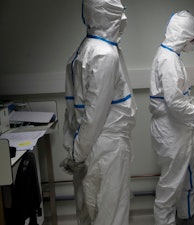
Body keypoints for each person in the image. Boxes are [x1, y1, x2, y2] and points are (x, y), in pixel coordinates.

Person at [61, 0, 137, 224]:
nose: (123, 15)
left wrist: (75, 151)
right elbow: (94, 116)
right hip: (107, 148)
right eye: (119, 9)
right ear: (108, 14)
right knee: (111, 215)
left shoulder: (85, 48)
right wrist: (78, 154)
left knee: (90, 212)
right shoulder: (105, 55)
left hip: (91, 147)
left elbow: (74, 111)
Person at [149, 10, 194, 225]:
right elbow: (175, 104)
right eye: (193, 39)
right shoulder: (168, 60)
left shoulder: (172, 56)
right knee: (171, 183)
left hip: (180, 127)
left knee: (189, 174)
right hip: (171, 130)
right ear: (185, 37)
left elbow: (180, 96)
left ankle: (189, 216)